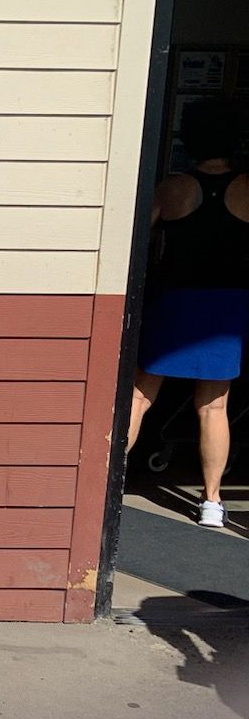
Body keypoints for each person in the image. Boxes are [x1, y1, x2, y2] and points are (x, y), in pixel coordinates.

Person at [126, 98, 249, 527]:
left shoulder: (172, 187)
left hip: (175, 300)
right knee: (214, 407)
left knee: (140, 397)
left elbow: (138, 243)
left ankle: (107, 479)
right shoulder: (247, 188)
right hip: (226, 307)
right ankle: (212, 503)